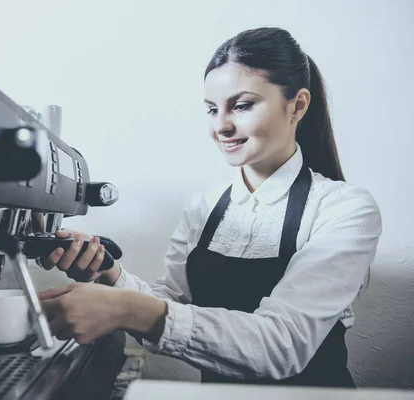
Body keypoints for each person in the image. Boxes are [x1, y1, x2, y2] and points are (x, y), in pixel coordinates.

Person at [37, 27, 382, 388]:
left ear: (297, 105)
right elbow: (168, 305)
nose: (221, 125)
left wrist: (124, 308)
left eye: (242, 105)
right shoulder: (204, 208)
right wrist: (107, 272)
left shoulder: (344, 209)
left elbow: (284, 344)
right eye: (212, 109)